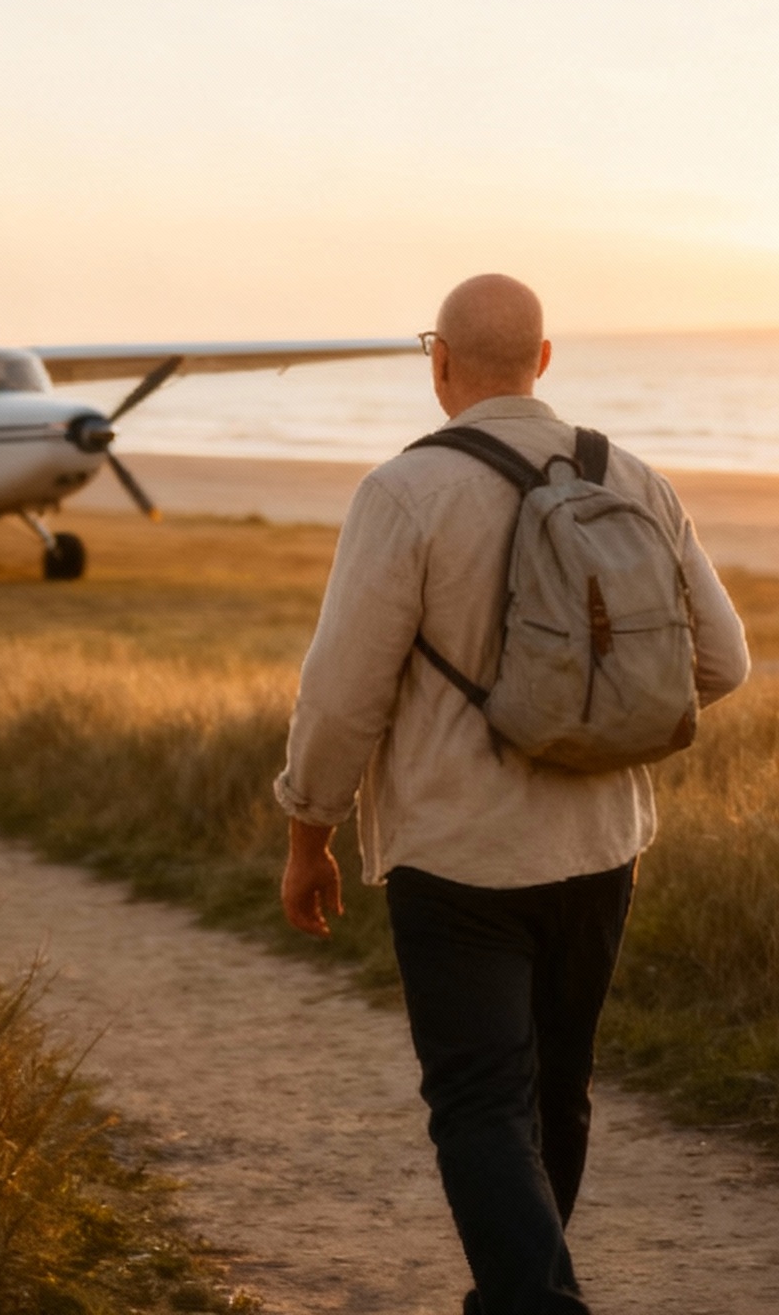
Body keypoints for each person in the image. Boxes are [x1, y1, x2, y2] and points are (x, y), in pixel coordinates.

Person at [274, 274, 750, 1314]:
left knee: (480, 1107)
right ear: (543, 360)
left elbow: (343, 691)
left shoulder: (402, 493)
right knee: (552, 1094)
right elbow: (721, 662)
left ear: (438, 362)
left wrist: (309, 830)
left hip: (458, 856)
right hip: (603, 846)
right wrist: (597, 716)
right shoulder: (631, 476)